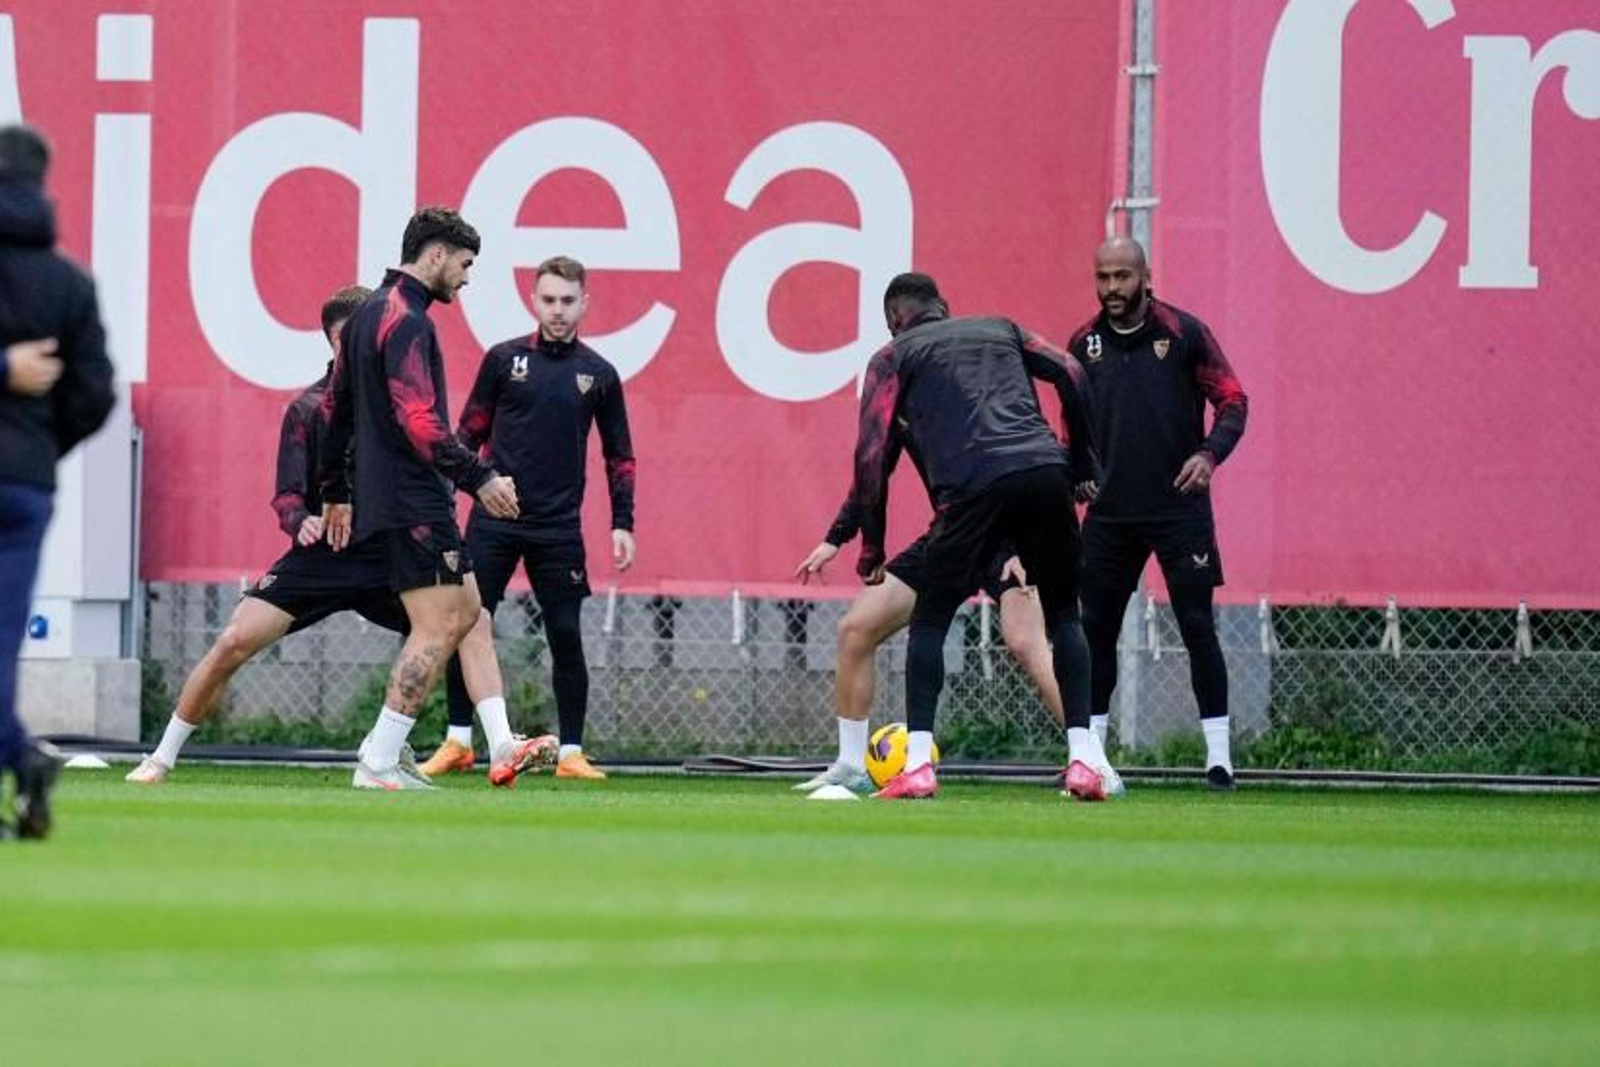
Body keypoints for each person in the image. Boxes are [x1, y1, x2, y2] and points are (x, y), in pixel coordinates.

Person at [124, 287, 554, 784]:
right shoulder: (310, 410)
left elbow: (431, 468)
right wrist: (301, 520)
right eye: (356, 340)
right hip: (325, 558)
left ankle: (495, 744)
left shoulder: (405, 411)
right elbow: (286, 496)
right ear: (335, 342)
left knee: (468, 619)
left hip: (389, 552)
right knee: (233, 641)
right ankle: (160, 757)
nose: (370, 348)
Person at [845, 272, 1111, 800]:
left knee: (929, 623)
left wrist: (871, 547)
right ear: (943, 306)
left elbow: (871, 455)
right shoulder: (1001, 328)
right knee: (1063, 617)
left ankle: (918, 764)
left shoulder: (892, 357)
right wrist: (1082, 462)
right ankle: (1085, 761)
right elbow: (1073, 372)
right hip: (1043, 473)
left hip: (970, 489)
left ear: (893, 322)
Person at [792, 393, 1125, 797]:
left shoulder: (973, 396)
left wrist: (1025, 548)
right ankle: (849, 766)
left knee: (1027, 642)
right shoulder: (896, 414)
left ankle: (1096, 765)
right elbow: (870, 480)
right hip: (953, 535)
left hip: (1009, 540)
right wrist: (835, 539)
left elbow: (1036, 467)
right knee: (855, 629)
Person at [319, 207, 528, 791]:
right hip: (414, 499)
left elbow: (335, 409)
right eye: (464, 265)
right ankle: (380, 759)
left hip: (391, 496)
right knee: (436, 626)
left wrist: (335, 488)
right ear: (435, 255)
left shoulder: (365, 317)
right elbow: (419, 420)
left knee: (468, 613)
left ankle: (491, 742)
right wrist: (479, 477)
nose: (466, 278)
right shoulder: (408, 321)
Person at [420, 255, 636, 781]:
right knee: (464, 622)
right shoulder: (503, 360)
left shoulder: (599, 374)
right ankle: (458, 742)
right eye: (548, 300)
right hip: (493, 518)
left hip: (557, 527)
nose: (557, 310)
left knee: (565, 631)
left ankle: (570, 753)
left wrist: (622, 522)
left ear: (584, 302)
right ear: (533, 300)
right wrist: (449, 496)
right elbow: (466, 435)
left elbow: (619, 455)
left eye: (567, 300)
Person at [1067, 236, 1248, 789]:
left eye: (1122, 277)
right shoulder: (1084, 343)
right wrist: (1078, 470)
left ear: (1146, 276)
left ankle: (1219, 759)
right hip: (1110, 514)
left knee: (1196, 626)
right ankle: (1092, 757)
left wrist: (1208, 454)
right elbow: (1073, 424)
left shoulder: (1183, 333)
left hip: (1178, 509)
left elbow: (1235, 401)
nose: (1112, 289)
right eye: (1103, 277)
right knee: (1095, 632)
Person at [0, 124, 116, 838]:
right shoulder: (69, 282)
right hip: (23, 485)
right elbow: (95, 394)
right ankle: (18, 753)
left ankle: (20, 754)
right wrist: (44, 444)